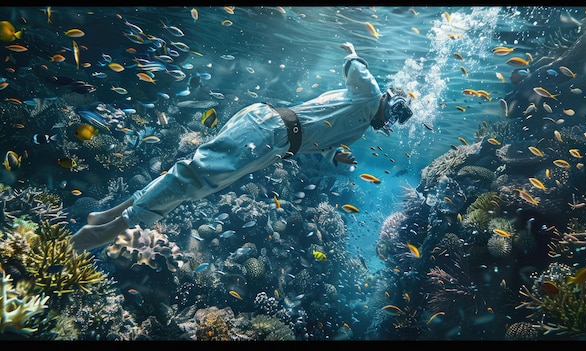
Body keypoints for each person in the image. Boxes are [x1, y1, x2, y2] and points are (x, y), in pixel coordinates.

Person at [70, 42, 414, 252]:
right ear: (392, 100)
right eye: (396, 113)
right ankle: (115, 226)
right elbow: (358, 71)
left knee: (197, 174)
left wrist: (333, 153)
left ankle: (114, 213)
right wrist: (355, 54)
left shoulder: (360, 127)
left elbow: (321, 139)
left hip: (273, 137)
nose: (390, 123)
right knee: (197, 177)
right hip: (269, 132)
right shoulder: (370, 96)